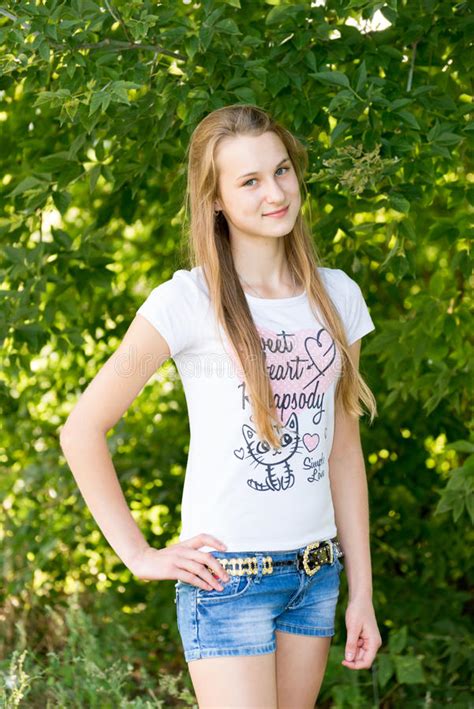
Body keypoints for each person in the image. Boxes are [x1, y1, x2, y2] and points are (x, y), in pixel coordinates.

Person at [60, 103, 382, 708]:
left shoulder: (339, 296)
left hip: (315, 576)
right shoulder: (185, 302)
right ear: (215, 199)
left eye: (282, 170)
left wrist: (360, 589)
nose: (275, 193)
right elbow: (82, 430)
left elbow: (342, 451)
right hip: (227, 579)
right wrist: (139, 555)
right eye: (250, 181)